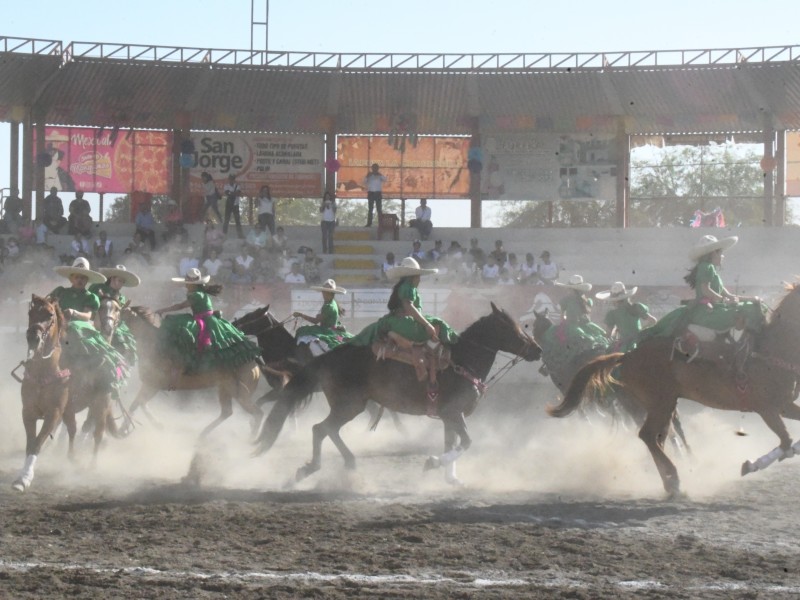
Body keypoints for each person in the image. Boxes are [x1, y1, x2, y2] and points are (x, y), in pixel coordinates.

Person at [349, 257, 459, 415]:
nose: (420, 279)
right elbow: (409, 307)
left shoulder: (405, 286)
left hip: (399, 321)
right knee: (438, 324)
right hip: (402, 322)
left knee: (435, 323)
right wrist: (427, 325)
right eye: (418, 276)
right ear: (413, 276)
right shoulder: (409, 287)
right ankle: (449, 345)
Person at [641, 235, 765, 362]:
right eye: (720, 253)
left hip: (714, 308)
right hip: (705, 311)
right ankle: (752, 346)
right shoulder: (706, 267)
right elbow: (705, 289)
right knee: (745, 311)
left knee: (751, 306)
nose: (723, 256)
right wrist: (721, 299)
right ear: (713, 253)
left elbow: (730, 296)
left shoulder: (712, 270)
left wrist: (752, 298)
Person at [155, 269, 262, 376]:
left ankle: (185, 367)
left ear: (193, 285)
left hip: (204, 321)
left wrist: (163, 310)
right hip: (210, 320)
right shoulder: (200, 293)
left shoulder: (196, 294)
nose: (186, 285)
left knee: (180, 329)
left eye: (187, 283)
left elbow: (180, 306)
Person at [49, 257, 128, 392]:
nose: (80, 280)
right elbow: (48, 305)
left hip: (78, 327)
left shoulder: (90, 297)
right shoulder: (60, 291)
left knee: (78, 334)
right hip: (58, 326)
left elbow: (88, 316)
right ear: (71, 278)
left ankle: (82, 374)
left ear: (87, 280)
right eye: (77, 277)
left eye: (83, 278)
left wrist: (74, 313)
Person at [90, 264, 141, 365]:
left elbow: (119, 315)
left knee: (127, 341)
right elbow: (88, 300)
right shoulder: (96, 287)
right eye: (119, 280)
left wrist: (126, 312)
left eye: (122, 281)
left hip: (114, 324)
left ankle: (122, 366)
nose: (120, 284)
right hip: (93, 319)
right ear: (112, 278)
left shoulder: (121, 298)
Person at [293, 278, 353, 356]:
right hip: (332, 328)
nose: (323, 294)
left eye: (324, 292)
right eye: (323, 292)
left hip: (326, 330)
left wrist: (301, 315)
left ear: (329, 293)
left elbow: (315, 321)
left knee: (302, 331)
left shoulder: (328, 306)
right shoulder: (333, 303)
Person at [596, 281, 656, 352]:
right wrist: (641, 331)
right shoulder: (636, 307)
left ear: (614, 300)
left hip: (624, 345)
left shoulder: (612, 314)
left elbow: (609, 334)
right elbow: (653, 321)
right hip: (640, 341)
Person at [222, 173, 244, 239]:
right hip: (229, 205)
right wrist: (235, 193)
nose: (231, 180)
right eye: (230, 179)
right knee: (226, 220)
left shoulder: (237, 186)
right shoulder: (226, 186)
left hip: (235, 205)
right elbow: (227, 193)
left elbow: (236, 193)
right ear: (229, 179)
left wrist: (231, 193)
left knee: (237, 220)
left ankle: (240, 235)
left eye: (232, 179)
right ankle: (224, 235)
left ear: (234, 180)